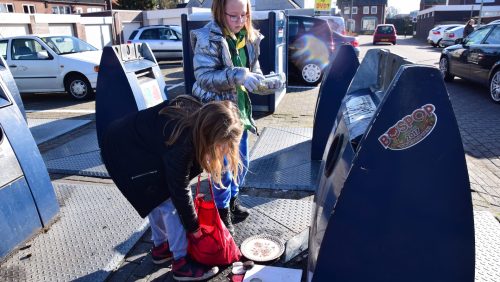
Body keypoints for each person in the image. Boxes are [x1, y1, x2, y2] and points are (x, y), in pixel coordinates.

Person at [100, 95, 243, 281]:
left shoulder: (198, 116)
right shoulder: (182, 140)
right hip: (123, 152)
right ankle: (181, 264)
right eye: (223, 146)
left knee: (156, 198)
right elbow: (179, 190)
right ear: (210, 135)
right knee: (169, 203)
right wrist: (194, 229)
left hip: (126, 144)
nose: (224, 151)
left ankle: (161, 247)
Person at [190, 0, 282, 234]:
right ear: (220, 12)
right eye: (233, 16)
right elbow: (203, 76)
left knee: (241, 162)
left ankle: (233, 202)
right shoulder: (207, 38)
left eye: (244, 15)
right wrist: (239, 76)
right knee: (222, 167)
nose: (240, 21)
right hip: (218, 116)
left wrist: (264, 82)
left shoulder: (249, 37)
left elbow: (255, 70)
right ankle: (222, 214)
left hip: (240, 113)